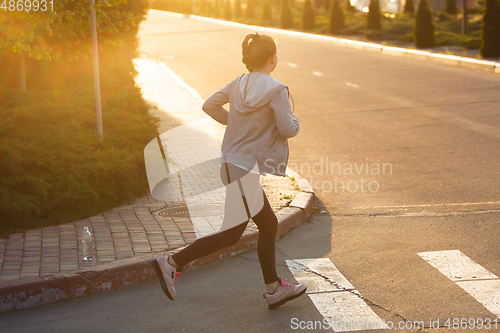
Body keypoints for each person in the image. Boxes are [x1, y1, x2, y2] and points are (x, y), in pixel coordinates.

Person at [152, 32, 306, 310]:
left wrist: (232, 122)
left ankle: (273, 288)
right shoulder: (276, 89)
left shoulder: (238, 84)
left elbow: (208, 105)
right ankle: (172, 262)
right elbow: (286, 128)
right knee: (241, 231)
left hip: (231, 164)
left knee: (259, 226)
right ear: (273, 59)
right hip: (244, 170)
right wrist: (295, 123)